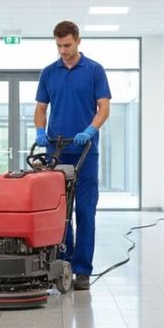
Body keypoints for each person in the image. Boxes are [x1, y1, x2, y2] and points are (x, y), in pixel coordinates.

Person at [34, 20, 111, 290]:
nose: (63, 51)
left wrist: (91, 129)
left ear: (78, 41)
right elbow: (41, 108)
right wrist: (40, 131)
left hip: (85, 153)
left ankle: (82, 271)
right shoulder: (49, 73)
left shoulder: (93, 70)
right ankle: (62, 265)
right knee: (59, 211)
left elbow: (103, 107)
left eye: (67, 45)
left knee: (85, 211)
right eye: (58, 46)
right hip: (55, 151)